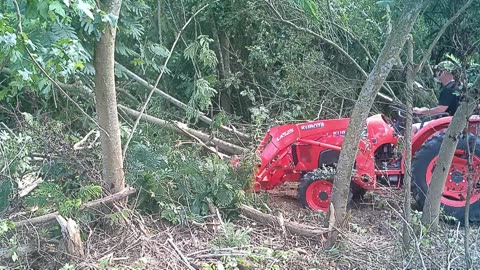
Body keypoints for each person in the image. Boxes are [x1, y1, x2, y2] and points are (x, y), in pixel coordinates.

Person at [412, 61, 462, 133]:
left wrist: (422, 111)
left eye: (439, 71)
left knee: (413, 128)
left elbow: (440, 110)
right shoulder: (458, 86)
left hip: (446, 124)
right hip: (455, 122)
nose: (437, 74)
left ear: (444, 72)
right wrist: (427, 110)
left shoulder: (449, 89)